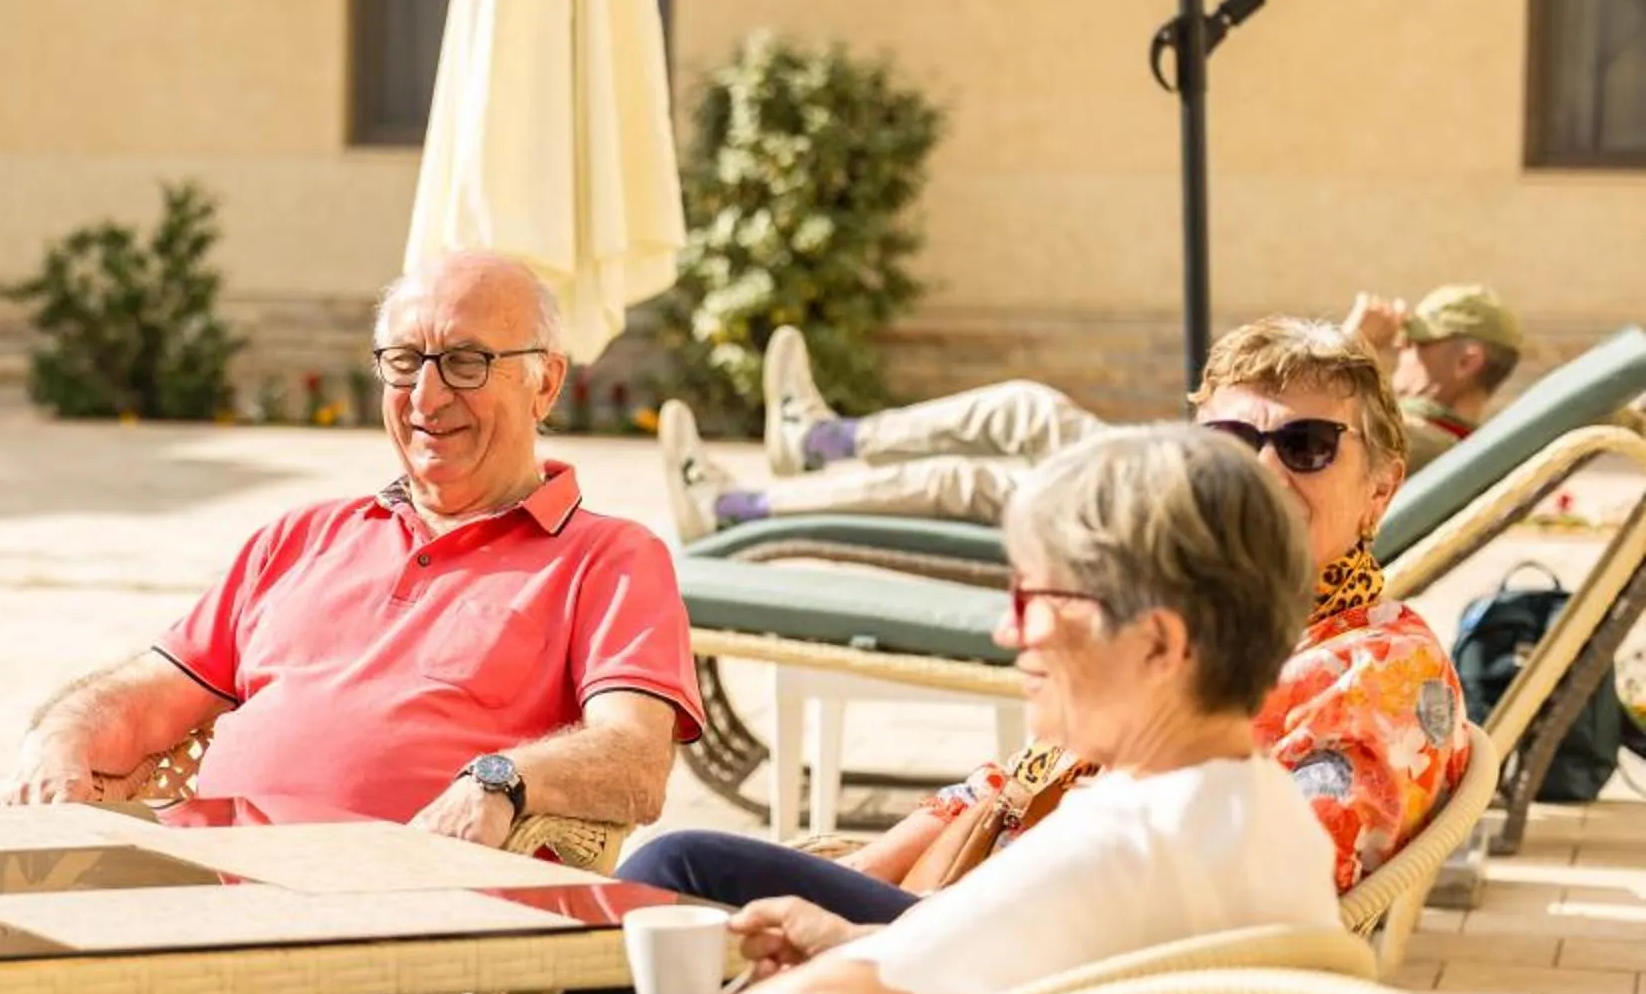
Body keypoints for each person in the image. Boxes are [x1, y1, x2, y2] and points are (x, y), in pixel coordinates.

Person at [309, 423, 1341, 994]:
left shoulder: (1120, 837)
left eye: (1036, 597)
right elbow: (1037, 977)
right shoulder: (1263, 812)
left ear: (1158, 642)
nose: (1004, 626)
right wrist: (860, 941)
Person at [627, 316, 1470, 925]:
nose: (1261, 470)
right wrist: (841, 879)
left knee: (676, 868)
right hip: (964, 918)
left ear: (1382, 489)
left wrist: (876, 937)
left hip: (1035, 973)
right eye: (1229, 441)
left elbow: (1259, 907)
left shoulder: (1374, 668)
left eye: (1308, 446)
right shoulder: (1187, 613)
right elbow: (1005, 787)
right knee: (674, 895)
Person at [0, 251, 697, 841]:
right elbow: (146, 697)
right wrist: (58, 739)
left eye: (464, 362)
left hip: (397, 919)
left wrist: (502, 780)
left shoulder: (608, 559)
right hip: (199, 882)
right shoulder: (301, 537)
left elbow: (634, 761)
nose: (426, 396)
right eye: (404, 361)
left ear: (545, 382)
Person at [660, 285, 1522, 536]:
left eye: (1422, 344)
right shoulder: (1435, 419)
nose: (1405, 352)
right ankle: (820, 440)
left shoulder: (1415, 433)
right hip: (1179, 470)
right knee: (1025, 409)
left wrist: (1353, 340)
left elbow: (1305, 429)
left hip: (1177, 510)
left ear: (1467, 358)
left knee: (968, 479)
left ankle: (735, 508)